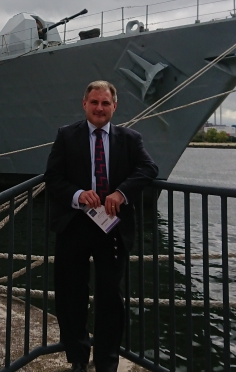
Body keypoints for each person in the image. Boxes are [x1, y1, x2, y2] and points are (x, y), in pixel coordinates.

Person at [45, 80, 158, 372]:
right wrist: (78, 195)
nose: (99, 108)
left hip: (112, 228)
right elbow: (53, 178)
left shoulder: (130, 139)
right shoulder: (67, 136)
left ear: (114, 107)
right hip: (75, 226)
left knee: (111, 297)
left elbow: (148, 168)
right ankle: (78, 358)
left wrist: (122, 192)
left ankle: (107, 361)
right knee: (72, 295)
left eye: (105, 103)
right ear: (84, 104)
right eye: (94, 102)